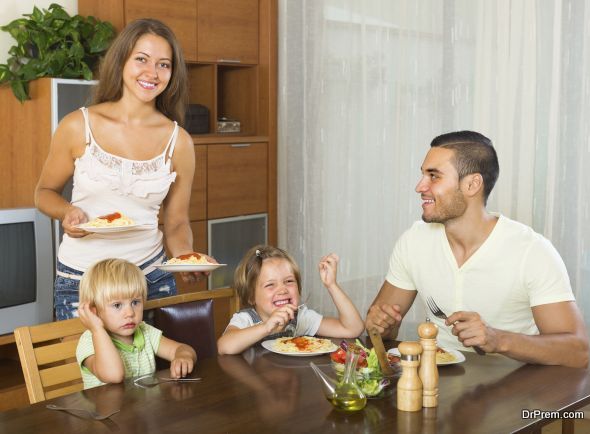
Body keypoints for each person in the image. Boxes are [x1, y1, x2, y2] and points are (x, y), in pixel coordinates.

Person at [365, 131, 589, 368]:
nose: (419, 186)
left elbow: (577, 352)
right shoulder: (414, 241)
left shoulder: (532, 251)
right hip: (434, 384)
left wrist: (497, 339)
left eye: (434, 176)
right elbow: (378, 331)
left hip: (513, 392)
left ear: (472, 184)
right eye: (423, 174)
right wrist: (382, 326)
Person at [34, 19, 210, 320]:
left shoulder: (179, 142)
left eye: (163, 64)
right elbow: (44, 193)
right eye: (141, 59)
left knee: (155, 368)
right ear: (122, 60)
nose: (152, 73)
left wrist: (183, 256)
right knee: (87, 369)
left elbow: (177, 221)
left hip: (149, 281)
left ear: (173, 72)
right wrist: (67, 213)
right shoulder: (78, 125)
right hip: (82, 282)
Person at [217, 245, 364, 355]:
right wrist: (266, 327)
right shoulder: (246, 320)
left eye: (289, 281)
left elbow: (352, 328)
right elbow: (224, 346)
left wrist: (331, 285)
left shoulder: (301, 318)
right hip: (258, 388)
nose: (282, 290)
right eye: (270, 285)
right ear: (251, 296)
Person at [76, 258, 197, 389]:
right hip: (111, 409)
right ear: (94, 311)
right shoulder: (89, 341)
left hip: (146, 408)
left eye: (135, 302)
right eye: (117, 305)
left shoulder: (144, 331)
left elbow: (183, 349)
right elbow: (114, 375)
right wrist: (97, 329)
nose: (130, 313)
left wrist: (183, 356)